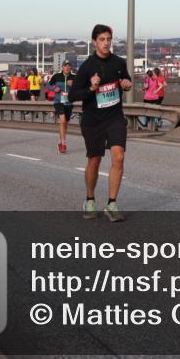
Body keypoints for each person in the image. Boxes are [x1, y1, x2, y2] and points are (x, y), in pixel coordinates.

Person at [68, 24, 133, 222]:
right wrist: (91, 88)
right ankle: (90, 199)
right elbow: (73, 95)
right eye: (102, 39)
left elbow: (127, 81)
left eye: (108, 39)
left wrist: (127, 84)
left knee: (118, 157)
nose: (106, 43)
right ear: (95, 42)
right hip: (93, 120)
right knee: (94, 160)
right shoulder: (87, 67)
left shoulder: (119, 63)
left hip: (114, 118)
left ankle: (112, 204)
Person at [49, 61, 77, 154]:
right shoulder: (57, 76)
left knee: (65, 123)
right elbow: (48, 85)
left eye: (69, 66)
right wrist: (54, 88)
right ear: (62, 67)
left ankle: (61, 141)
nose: (67, 67)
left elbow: (79, 89)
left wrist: (73, 85)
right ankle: (64, 143)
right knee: (62, 120)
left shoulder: (74, 77)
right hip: (58, 102)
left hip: (69, 103)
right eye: (65, 66)